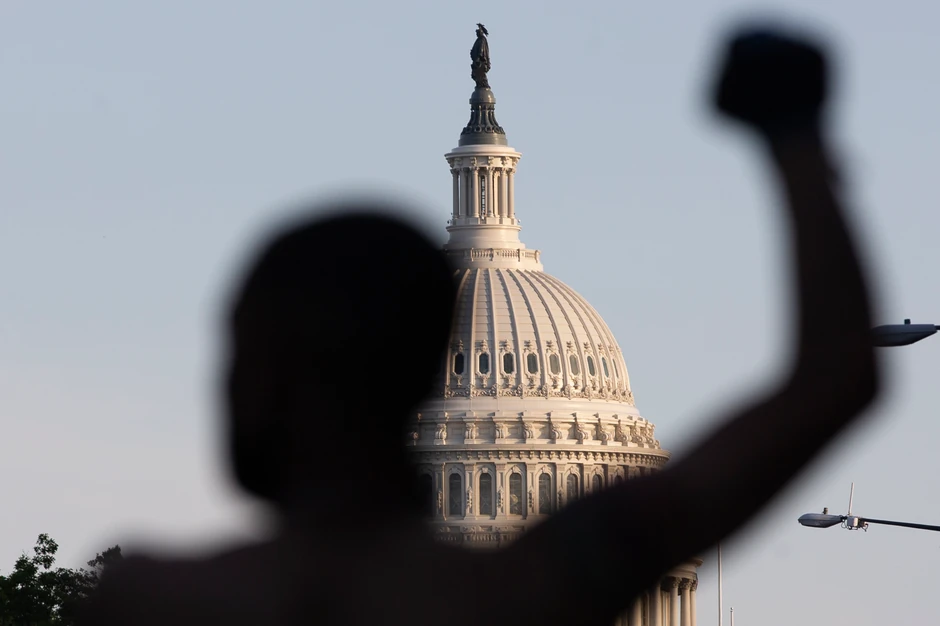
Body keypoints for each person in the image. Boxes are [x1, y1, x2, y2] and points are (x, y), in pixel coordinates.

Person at [78, 26, 880, 626]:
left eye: (241, 351)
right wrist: (794, 138)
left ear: (274, 381)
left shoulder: (159, 601)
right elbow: (832, 384)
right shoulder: (521, 591)